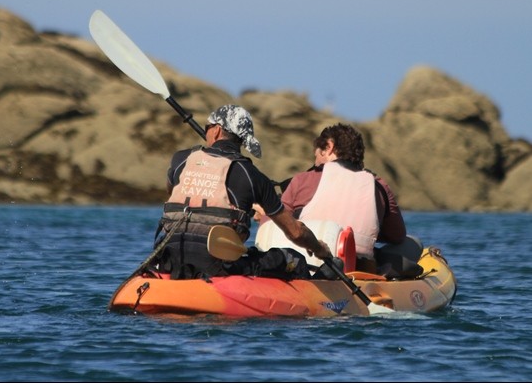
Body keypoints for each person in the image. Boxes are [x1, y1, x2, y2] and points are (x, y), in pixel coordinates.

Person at [153, 104, 332, 279]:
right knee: (293, 259)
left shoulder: (181, 159)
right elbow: (296, 232)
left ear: (215, 131)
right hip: (219, 266)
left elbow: (173, 191)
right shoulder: (252, 175)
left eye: (208, 127)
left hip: (168, 259)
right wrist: (319, 248)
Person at [279, 123, 407, 273]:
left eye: (317, 155)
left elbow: (272, 226)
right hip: (356, 271)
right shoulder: (379, 186)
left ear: (329, 147)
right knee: (411, 244)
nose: (315, 163)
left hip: (305, 267)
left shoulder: (302, 180)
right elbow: (397, 236)